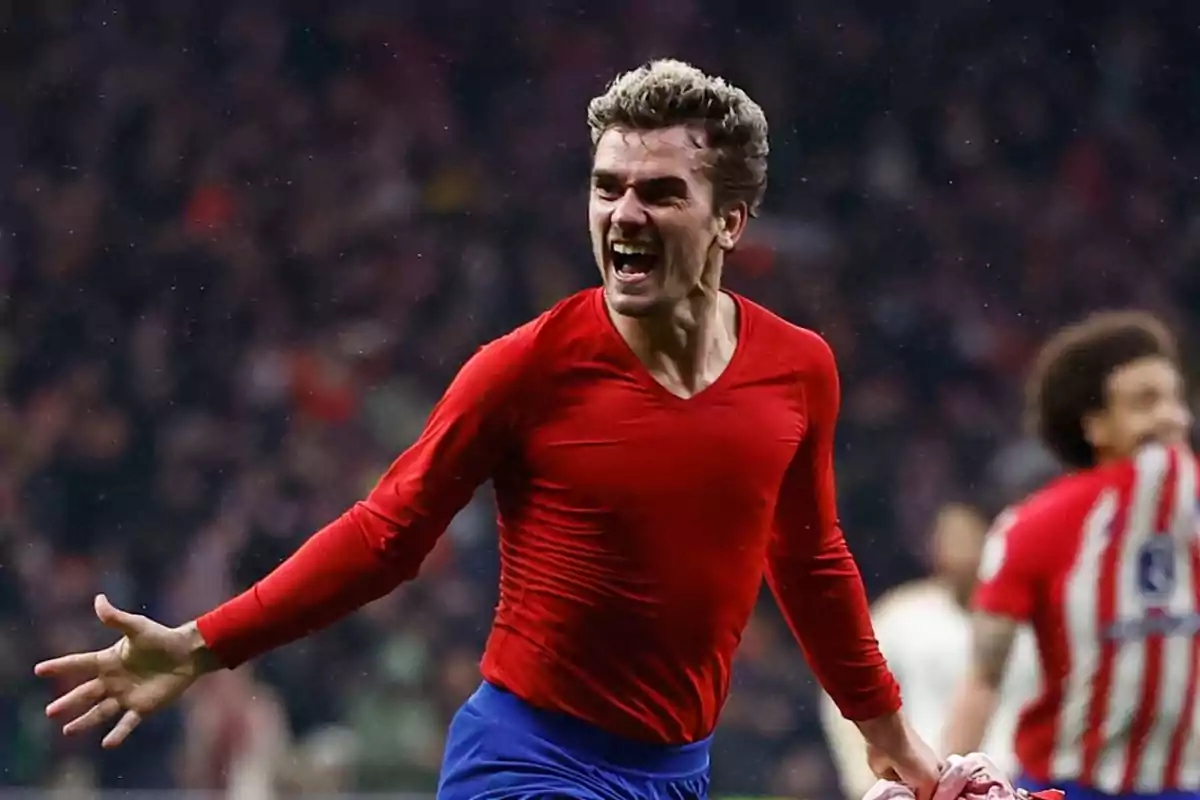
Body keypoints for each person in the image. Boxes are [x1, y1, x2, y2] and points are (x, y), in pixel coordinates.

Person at [34, 59, 940, 800]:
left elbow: (811, 560)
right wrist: (201, 645)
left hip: (677, 777)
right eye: (606, 188)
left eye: (660, 193)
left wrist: (891, 738)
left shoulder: (799, 367)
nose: (623, 213)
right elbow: (387, 534)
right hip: (525, 763)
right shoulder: (525, 367)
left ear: (730, 222)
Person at [942, 311, 1198, 799]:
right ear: (1094, 424)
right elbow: (982, 679)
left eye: (1174, 398)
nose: (1172, 417)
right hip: (1070, 788)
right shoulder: (1035, 527)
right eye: (1146, 401)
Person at [822, 503, 1041, 798]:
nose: (960, 552)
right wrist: (860, 776)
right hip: (923, 783)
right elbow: (846, 692)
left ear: (988, 542)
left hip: (1018, 782)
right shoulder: (901, 616)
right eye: (949, 540)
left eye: (967, 538)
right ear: (932, 549)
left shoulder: (1028, 621)